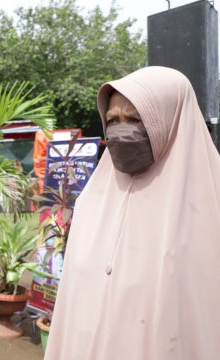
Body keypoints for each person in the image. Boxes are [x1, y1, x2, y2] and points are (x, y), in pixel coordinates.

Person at [45, 66, 220, 359]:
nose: (121, 130)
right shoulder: (92, 200)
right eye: (112, 120)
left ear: (171, 119)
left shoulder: (211, 202)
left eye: (135, 119)